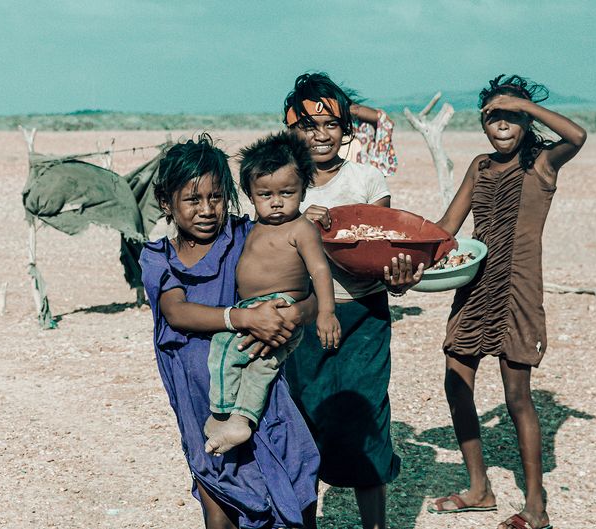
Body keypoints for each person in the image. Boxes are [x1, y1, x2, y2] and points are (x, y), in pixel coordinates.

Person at [428, 74, 587, 529]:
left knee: (517, 396)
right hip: (474, 286)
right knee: (456, 381)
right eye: (493, 117)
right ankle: (479, 488)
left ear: (526, 121)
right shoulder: (480, 166)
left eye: (512, 117)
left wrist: (523, 105)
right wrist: (404, 254)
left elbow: (577, 136)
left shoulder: (542, 164)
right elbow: (447, 228)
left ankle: (536, 507)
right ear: (483, 123)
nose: (502, 125)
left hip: (518, 291)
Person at [139, 134, 320, 529]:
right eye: (192, 200)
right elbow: (177, 312)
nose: (207, 210)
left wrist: (296, 314)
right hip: (200, 400)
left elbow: (305, 292)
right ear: (166, 202)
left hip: (260, 390)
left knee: (294, 475)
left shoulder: (248, 237)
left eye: (216, 197)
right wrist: (244, 319)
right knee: (218, 493)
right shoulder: (159, 257)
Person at [281, 72, 422, 529]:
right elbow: (267, 247)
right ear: (291, 130)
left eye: (331, 125)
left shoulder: (367, 179)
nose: (320, 135)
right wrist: (299, 221)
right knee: (307, 417)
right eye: (308, 126)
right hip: (304, 318)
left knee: (368, 415)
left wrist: (399, 280)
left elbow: (381, 250)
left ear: (346, 129)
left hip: (364, 315)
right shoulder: (284, 187)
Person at [204, 131, 341, 456]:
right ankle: (242, 419)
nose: (276, 201)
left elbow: (320, 270)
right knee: (260, 366)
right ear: (250, 195)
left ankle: (220, 412)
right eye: (265, 194)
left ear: (304, 189)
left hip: (282, 306)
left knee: (224, 347)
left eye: (287, 192)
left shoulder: (301, 228)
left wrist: (326, 312)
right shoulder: (254, 227)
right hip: (255, 308)